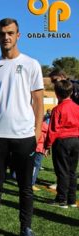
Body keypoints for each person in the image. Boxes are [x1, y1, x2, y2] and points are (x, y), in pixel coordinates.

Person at [0, 18, 43, 236]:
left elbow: (38, 102)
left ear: (18, 35)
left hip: (24, 137)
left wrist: (36, 132)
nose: (6, 37)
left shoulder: (31, 64)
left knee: (25, 187)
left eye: (10, 33)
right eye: (2, 33)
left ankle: (25, 230)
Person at [44, 80, 79, 208]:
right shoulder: (77, 107)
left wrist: (47, 145)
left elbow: (53, 129)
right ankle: (71, 200)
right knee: (72, 171)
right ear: (71, 92)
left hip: (62, 141)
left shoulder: (57, 109)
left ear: (56, 94)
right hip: (76, 140)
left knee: (62, 171)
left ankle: (62, 200)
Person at [32, 117, 49, 191]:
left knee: (29, 165)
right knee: (35, 166)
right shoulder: (45, 126)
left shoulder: (32, 124)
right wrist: (47, 149)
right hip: (39, 148)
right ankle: (31, 183)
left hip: (32, 147)